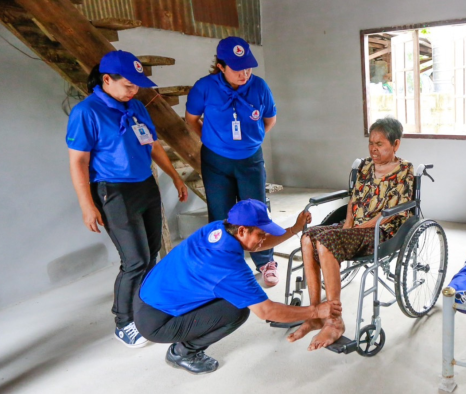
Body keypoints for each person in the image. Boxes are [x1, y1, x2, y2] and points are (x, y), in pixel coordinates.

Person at [66, 50, 188, 348]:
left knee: (152, 250)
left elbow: (152, 144)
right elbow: (78, 162)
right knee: (134, 260)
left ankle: (142, 308)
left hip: (144, 185)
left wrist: (173, 174)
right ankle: (124, 322)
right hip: (113, 191)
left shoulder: (135, 106)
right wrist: (87, 205)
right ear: (107, 80)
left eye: (137, 86)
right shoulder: (87, 112)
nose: (134, 91)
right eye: (128, 85)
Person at [134, 199, 342, 374]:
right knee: (237, 310)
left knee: (233, 295)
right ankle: (183, 352)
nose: (263, 239)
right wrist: (315, 310)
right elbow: (266, 311)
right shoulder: (229, 268)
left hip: (148, 294)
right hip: (158, 322)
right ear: (242, 230)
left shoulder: (218, 228)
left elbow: (258, 243)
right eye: (261, 234)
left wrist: (295, 229)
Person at [288, 118, 414, 351]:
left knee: (324, 243)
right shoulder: (365, 166)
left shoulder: (404, 170)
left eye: (380, 144)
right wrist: (347, 225)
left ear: (396, 145)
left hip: (379, 232)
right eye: (371, 143)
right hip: (353, 228)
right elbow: (354, 200)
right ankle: (316, 313)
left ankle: (335, 321)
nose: (374, 149)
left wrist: (359, 228)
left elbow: (389, 214)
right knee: (307, 238)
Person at [184, 37, 280, 287]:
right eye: (238, 69)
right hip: (216, 161)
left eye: (248, 67)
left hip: (250, 158)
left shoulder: (259, 86)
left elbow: (269, 120)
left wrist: (250, 141)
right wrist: (214, 141)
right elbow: (192, 119)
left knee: (257, 211)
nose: (245, 73)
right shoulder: (204, 87)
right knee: (220, 214)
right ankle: (223, 264)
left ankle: (265, 261)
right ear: (221, 66)